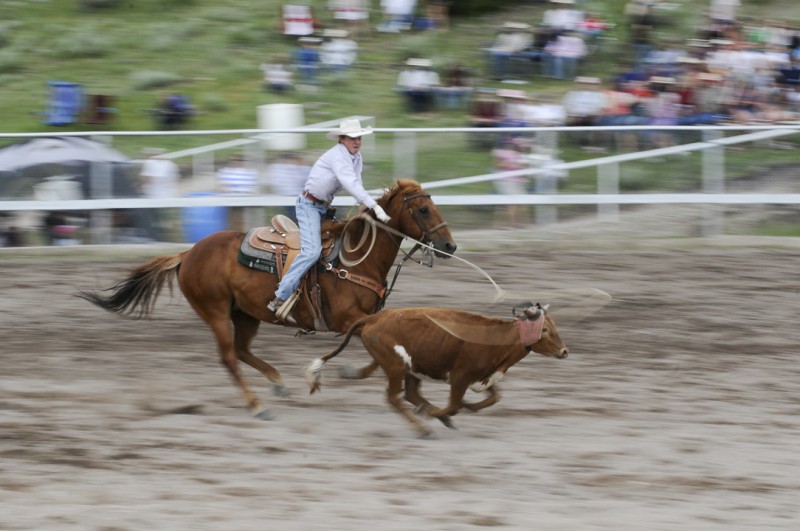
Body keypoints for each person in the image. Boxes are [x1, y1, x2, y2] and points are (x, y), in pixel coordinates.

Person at [267, 119, 391, 317]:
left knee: (343, 244)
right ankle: (281, 295)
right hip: (308, 206)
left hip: (323, 207)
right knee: (311, 252)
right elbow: (349, 182)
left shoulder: (356, 157)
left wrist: (364, 211)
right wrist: (374, 206)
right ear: (342, 140)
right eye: (352, 138)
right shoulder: (338, 157)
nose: (356, 142)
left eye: (358, 138)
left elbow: (357, 183)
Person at [139, 147, 180, 241]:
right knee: (165, 220)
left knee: (152, 220)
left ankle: (155, 238)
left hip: (154, 196)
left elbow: (149, 179)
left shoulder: (150, 163)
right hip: (169, 195)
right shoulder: (171, 164)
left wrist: (140, 186)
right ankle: (167, 238)